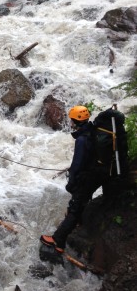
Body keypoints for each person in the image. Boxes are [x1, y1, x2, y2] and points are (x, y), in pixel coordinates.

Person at [40, 105, 110, 254]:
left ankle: (58, 241)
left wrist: (71, 183)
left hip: (87, 176)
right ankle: (73, 230)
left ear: (75, 121)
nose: (70, 122)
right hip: (98, 174)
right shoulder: (93, 131)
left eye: (71, 120)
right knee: (83, 201)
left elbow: (77, 164)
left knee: (75, 207)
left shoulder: (82, 140)